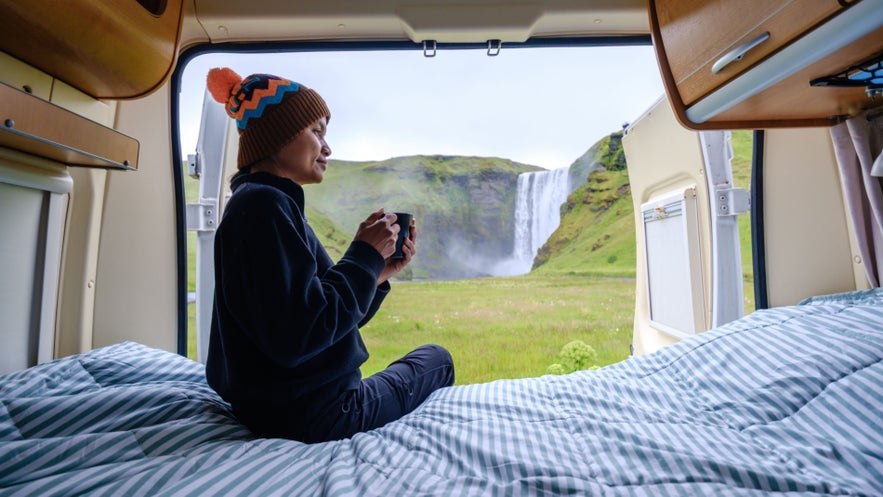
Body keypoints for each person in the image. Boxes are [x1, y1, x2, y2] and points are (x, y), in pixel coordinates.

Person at [203, 67, 455, 443]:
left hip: (275, 405)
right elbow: (301, 334)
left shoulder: (262, 205)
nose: (327, 147)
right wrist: (362, 257)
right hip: (318, 414)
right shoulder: (264, 207)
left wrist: (377, 271)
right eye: (316, 131)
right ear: (278, 134)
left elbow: (324, 321)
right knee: (438, 359)